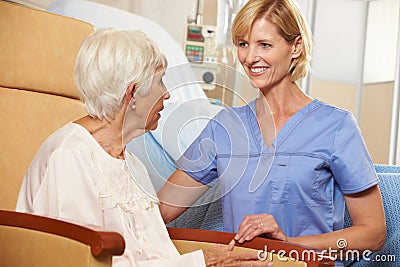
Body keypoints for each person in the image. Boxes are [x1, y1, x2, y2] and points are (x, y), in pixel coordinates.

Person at [16, 28, 271, 267]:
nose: (167, 94)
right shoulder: (70, 156)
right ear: (133, 93)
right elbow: (82, 261)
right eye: (160, 81)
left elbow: (156, 252)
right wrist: (200, 262)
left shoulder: (131, 162)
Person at [157, 0, 386, 262]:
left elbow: (373, 233)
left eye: (264, 45)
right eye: (243, 44)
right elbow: (161, 209)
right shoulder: (224, 127)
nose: (250, 57)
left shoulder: (336, 126)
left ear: (295, 47)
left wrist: (290, 245)